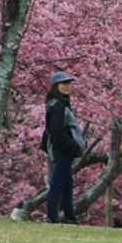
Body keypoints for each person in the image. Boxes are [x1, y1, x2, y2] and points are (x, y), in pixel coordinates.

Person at [44, 71, 86, 224]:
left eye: (69, 83)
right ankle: (51, 217)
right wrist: (72, 145)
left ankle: (70, 218)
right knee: (57, 184)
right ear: (56, 86)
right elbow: (57, 131)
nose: (67, 86)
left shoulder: (57, 104)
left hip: (62, 150)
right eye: (64, 83)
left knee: (67, 185)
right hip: (62, 151)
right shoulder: (58, 106)